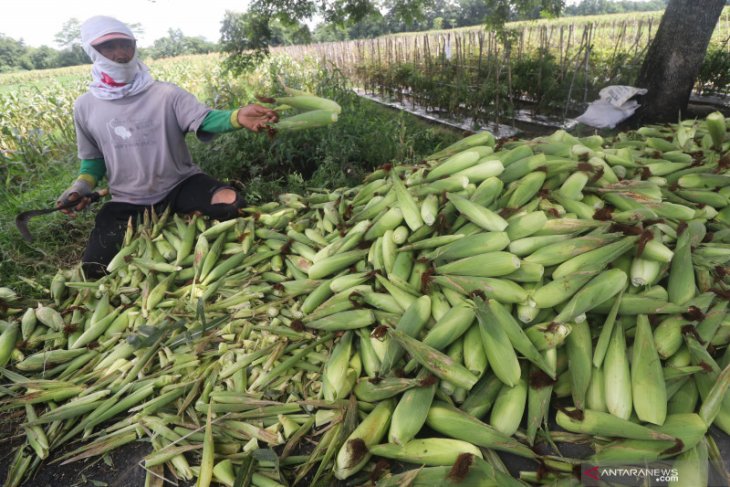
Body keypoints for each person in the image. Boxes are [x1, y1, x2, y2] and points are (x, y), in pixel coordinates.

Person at [57, 15, 278, 279]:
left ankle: (177, 213)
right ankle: (168, 219)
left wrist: (236, 117)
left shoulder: (165, 94)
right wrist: (80, 188)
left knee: (231, 204)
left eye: (125, 44)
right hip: (128, 198)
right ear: (92, 52)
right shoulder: (85, 106)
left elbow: (204, 118)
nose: (120, 54)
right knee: (94, 268)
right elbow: (93, 160)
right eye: (109, 47)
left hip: (180, 183)